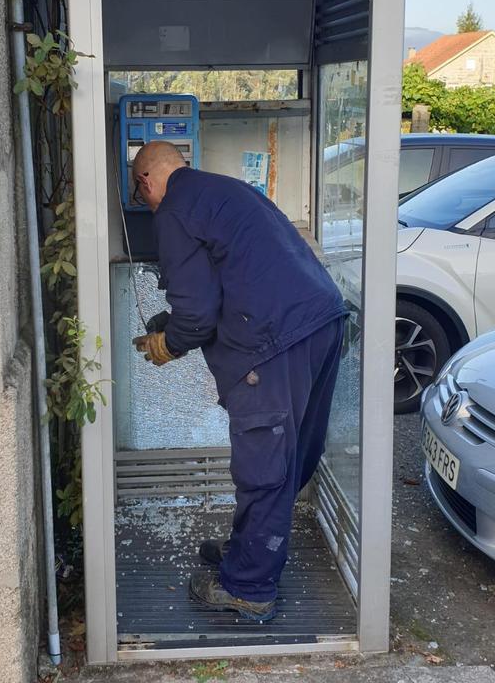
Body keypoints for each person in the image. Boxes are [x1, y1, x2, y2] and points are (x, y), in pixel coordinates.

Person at [131, 140, 346, 622]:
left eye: (138, 190)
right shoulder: (222, 190)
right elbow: (220, 282)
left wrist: (169, 343)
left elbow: (198, 316)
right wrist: (176, 320)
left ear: (146, 180)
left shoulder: (172, 210)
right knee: (286, 456)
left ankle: (249, 587)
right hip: (318, 322)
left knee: (262, 461)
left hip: (274, 341)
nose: (142, 200)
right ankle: (250, 550)